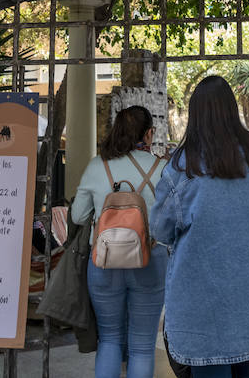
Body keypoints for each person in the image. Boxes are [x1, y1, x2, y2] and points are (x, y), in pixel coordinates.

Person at [152, 76, 249, 378]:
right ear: (232, 109)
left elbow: (161, 230)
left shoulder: (181, 167)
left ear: (195, 114)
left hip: (203, 313)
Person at [70, 105, 167, 378]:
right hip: (151, 259)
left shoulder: (96, 165)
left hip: (103, 261)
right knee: (143, 346)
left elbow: (78, 216)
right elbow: (171, 221)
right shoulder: (162, 168)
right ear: (148, 135)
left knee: (110, 339)